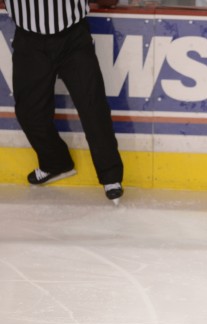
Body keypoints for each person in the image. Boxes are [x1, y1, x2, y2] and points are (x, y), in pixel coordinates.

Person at [4, 0, 124, 203]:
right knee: (28, 112)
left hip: (72, 37)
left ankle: (111, 176)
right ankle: (55, 162)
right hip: (28, 39)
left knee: (93, 107)